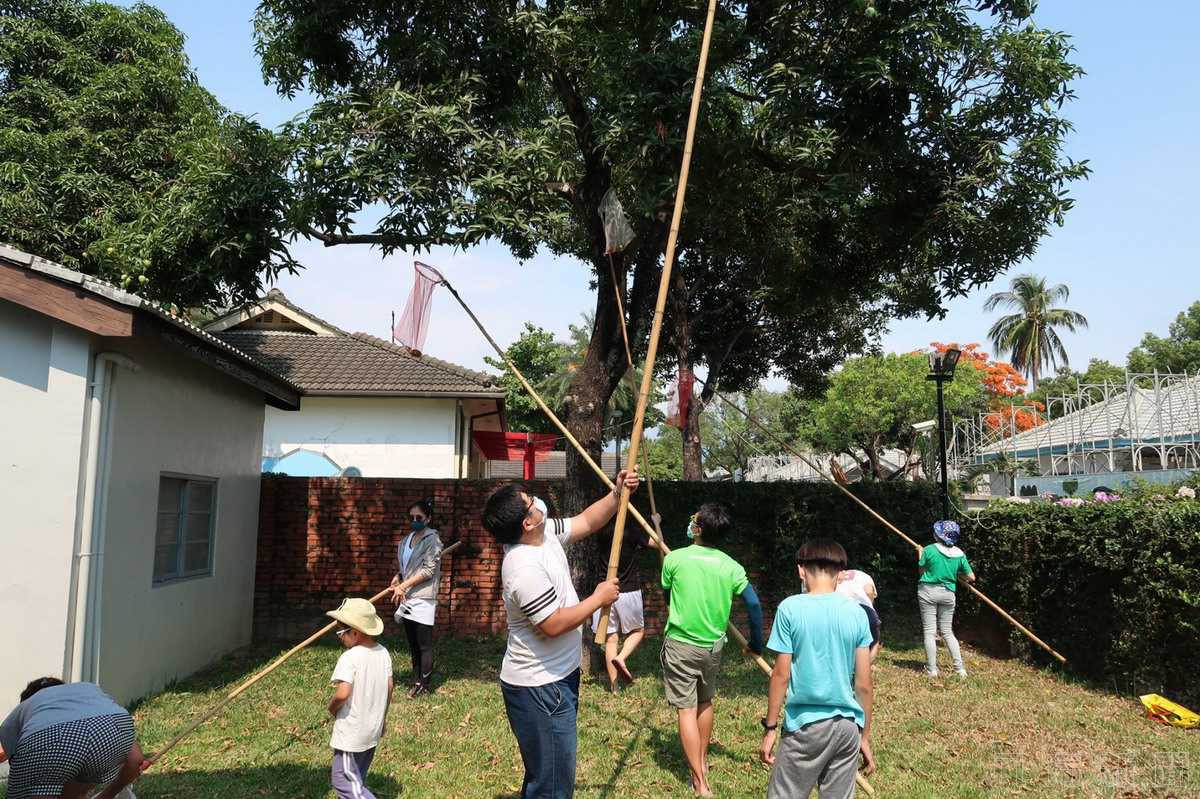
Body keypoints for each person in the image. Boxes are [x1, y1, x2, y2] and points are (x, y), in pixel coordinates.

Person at [482, 469, 640, 799]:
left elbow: (585, 521)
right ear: (527, 522)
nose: (536, 500)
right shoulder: (523, 567)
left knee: (547, 774)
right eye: (530, 502)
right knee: (553, 784)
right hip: (541, 688)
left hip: (558, 679)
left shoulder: (544, 535)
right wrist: (597, 599)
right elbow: (552, 624)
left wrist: (616, 493)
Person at [659, 503, 764, 797]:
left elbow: (668, 598)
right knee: (705, 702)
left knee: (686, 709)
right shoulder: (731, 566)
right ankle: (702, 763)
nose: (691, 523)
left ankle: (700, 782)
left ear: (699, 529)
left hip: (681, 645)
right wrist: (757, 641)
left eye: (694, 520)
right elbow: (754, 605)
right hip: (713, 648)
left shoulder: (675, 559)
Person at [760, 540, 875, 799]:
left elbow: (781, 675)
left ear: (801, 570)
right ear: (842, 573)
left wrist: (770, 728)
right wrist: (864, 736)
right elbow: (864, 684)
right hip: (847, 729)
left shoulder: (790, 609)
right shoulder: (857, 613)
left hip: (805, 728)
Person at [0, 677, 146, 799]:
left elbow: (13, 759)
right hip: (114, 727)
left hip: (49, 740)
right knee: (72, 784)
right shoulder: (86, 695)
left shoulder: (24, 710)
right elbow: (135, 759)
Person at [326, 597, 394, 799]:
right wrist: (383, 719)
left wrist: (332, 708)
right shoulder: (383, 653)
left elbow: (343, 693)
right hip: (372, 728)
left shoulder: (350, 658)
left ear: (354, 633)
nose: (339, 638)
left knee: (343, 780)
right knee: (356, 778)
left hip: (351, 733)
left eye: (340, 633)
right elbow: (389, 687)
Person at [591, 518, 655, 691]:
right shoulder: (631, 528)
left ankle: (614, 687)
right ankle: (622, 657)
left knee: (611, 640)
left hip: (604, 589)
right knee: (638, 631)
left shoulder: (602, 528)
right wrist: (656, 524)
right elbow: (657, 543)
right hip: (628, 590)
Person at [390, 498, 443, 697]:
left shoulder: (433, 540)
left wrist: (403, 585)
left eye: (418, 517)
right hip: (407, 597)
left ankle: (424, 685)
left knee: (424, 644)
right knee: (412, 643)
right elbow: (406, 569)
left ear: (428, 519)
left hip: (423, 598)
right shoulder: (406, 540)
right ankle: (416, 679)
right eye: (411, 517)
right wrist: (398, 579)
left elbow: (429, 570)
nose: (414, 520)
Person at [917, 520, 976, 678]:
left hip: (928, 592)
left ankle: (932, 670)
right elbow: (971, 577)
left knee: (930, 632)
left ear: (939, 536)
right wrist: (957, 575)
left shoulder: (929, 549)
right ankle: (960, 669)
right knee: (947, 632)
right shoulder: (959, 554)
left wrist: (920, 554)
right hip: (948, 594)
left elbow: (921, 571)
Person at [836, 567, 882, 663]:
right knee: (874, 642)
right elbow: (869, 591)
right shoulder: (862, 575)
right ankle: (867, 667)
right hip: (864, 609)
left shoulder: (833, 575)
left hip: (841, 609)